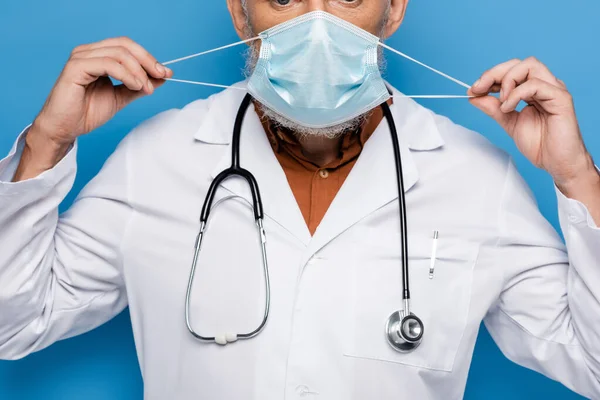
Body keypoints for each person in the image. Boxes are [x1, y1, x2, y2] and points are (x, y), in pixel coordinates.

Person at [1, 0, 599, 399]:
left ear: (393, 9)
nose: (318, 27)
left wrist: (578, 178)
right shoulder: (156, 158)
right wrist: (47, 142)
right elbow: (12, 327)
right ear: (240, 11)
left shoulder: (475, 176)